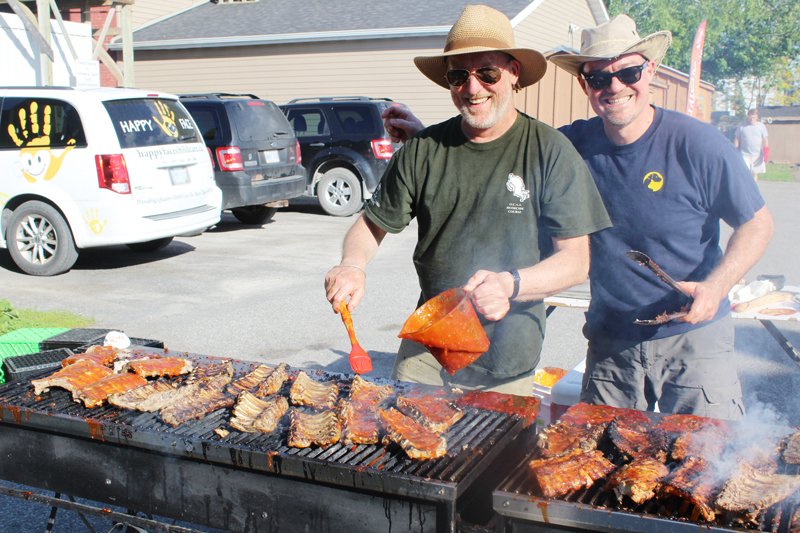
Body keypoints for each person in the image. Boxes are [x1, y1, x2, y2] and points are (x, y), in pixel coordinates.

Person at [385, 14, 774, 420]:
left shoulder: (697, 145)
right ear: (584, 84)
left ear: (651, 70)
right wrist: (425, 139)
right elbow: (498, 147)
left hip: (693, 339)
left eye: (629, 71)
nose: (616, 86)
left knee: (705, 461)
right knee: (603, 463)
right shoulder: (570, 147)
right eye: (599, 78)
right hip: (611, 340)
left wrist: (716, 286)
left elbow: (757, 224)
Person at [324, 5, 612, 396]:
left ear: (513, 74)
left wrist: (511, 284)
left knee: (494, 458)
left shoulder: (550, 152)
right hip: (427, 351)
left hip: (506, 362)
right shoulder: (422, 149)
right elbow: (371, 225)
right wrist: (352, 265)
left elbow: (576, 263)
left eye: (487, 73)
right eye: (459, 75)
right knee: (409, 451)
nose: (473, 88)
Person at [735, 109, 770, 181]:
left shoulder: (761, 126)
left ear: (757, 117)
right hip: (745, 154)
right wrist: (736, 150)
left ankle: (753, 189)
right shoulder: (742, 126)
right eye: (750, 117)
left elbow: (765, 139)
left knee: (754, 173)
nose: (751, 119)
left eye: (753, 117)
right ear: (747, 116)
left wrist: (766, 151)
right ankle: (745, 189)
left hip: (757, 154)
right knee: (745, 172)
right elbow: (737, 138)